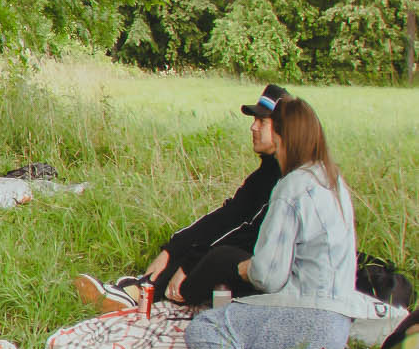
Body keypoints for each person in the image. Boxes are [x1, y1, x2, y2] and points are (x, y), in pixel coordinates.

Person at [185, 95, 363, 349]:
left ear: (281, 136)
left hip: (308, 321)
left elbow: (268, 277)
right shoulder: (333, 180)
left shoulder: (291, 187)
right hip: (339, 325)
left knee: (205, 327)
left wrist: (245, 269)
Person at [75, 84, 288, 313]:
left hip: (265, 279)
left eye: (262, 122)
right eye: (254, 120)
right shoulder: (265, 174)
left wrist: (190, 262)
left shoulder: (284, 180)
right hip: (250, 265)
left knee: (218, 255)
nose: (253, 127)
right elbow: (225, 217)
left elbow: (245, 233)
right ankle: (133, 289)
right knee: (197, 243)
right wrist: (172, 248)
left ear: (283, 129)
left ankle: (134, 293)